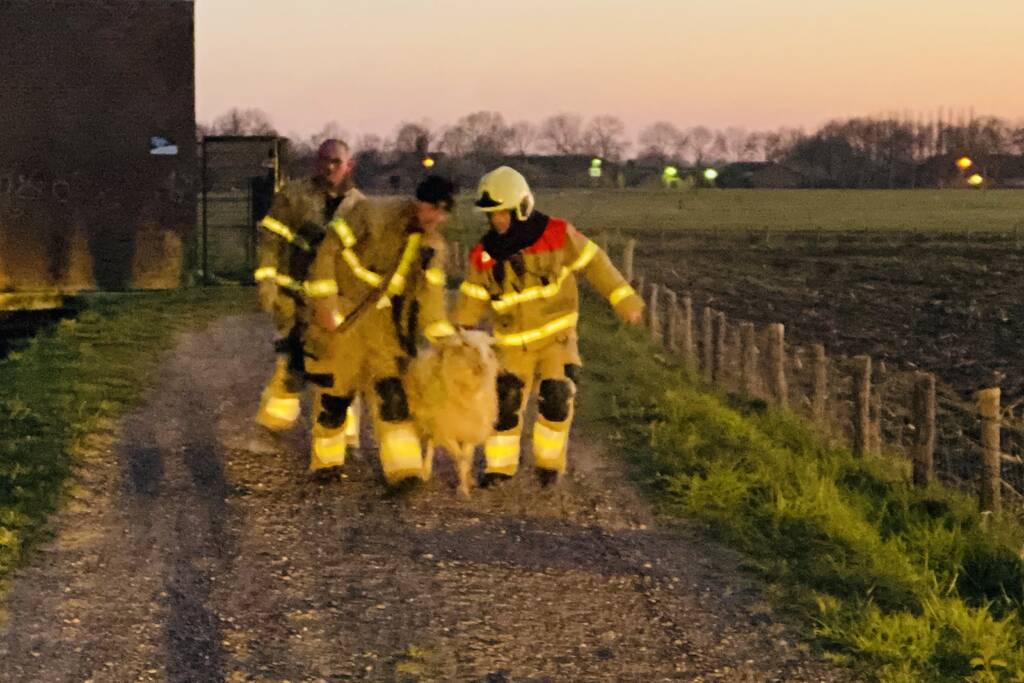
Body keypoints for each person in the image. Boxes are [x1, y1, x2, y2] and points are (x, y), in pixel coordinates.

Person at [454, 166, 643, 483]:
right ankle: (499, 467)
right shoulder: (483, 255)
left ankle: (549, 464)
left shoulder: (557, 234)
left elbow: (595, 263)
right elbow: (472, 297)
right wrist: (458, 331)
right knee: (505, 401)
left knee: (557, 397)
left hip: (557, 339)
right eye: (491, 214)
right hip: (512, 345)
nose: (496, 220)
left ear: (521, 207)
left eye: (502, 212)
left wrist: (625, 300)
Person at [301, 175, 457, 482]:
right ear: (420, 202)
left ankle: (405, 469)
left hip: (383, 327)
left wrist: (445, 340)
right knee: (335, 396)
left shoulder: (432, 247)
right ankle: (327, 463)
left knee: (392, 394)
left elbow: (432, 298)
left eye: (442, 212)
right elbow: (327, 252)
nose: (436, 218)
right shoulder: (371, 214)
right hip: (345, 315)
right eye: (432, 209)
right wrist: (326, 306)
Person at [253, 139, 365, 440]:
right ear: (316, 162)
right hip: (292, 294)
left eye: (336, 162)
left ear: (349, 165)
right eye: (324, 160)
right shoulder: (293, 197)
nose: (329, 167)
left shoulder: (359, 206)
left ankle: (342, 431)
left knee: (338, 363)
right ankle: (275, 422)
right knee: (292, 358)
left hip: (333, 299)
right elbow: (271, 240)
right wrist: (266, 280)